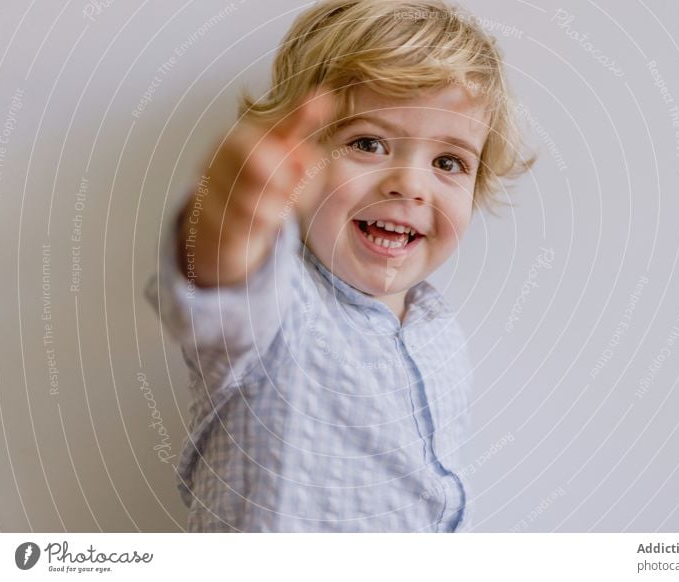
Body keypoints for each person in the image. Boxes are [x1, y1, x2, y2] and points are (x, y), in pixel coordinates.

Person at [145, 0, 531, 532]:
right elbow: (220, 282)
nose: (410, 185)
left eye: (449, 162)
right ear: (300, 162)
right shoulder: (281, 308)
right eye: (368, 143)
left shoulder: (439, 331)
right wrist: (231, 212)